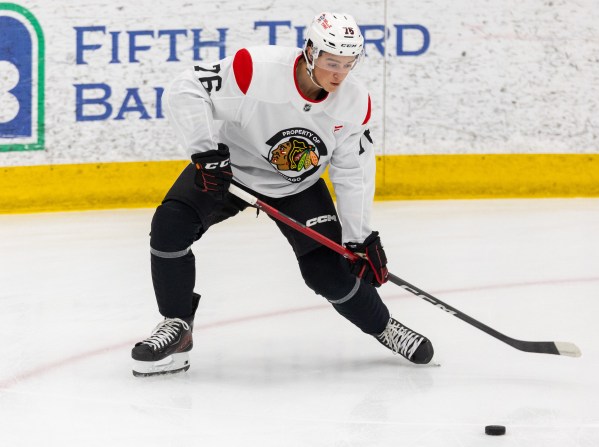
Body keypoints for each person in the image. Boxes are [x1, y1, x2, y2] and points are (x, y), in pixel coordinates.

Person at [131, 12, 434, 377]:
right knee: (169, 226)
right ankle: (177, 328)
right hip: (229, 174)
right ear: (310, 51)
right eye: (331, 62)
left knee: (327, 273)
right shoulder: (254, 69)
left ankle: (384, 327)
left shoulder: (354, 104)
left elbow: (352, 174)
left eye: (348, 64)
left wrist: (359, 237)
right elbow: (186, 88)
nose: (338, 74)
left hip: (298, 187)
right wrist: (206, 154)